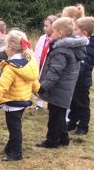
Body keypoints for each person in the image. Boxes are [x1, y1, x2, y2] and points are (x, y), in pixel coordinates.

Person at [36, 17, 89, 149]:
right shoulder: (71, 48)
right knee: (59, 115)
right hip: (65, 89)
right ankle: (64, 139)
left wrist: (42, 88)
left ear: (60, 33)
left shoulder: (61, 52)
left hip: (59, 89)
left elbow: (54, 73)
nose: (51, 33)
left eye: (53, 31)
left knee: (54, 117)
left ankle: (52, 141)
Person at [0, 30, 39, 161]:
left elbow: (2, 86)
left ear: (11, 47)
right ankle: (10, 148)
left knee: (14, 129)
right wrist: (38, 90)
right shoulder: (28, 62)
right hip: (23, 99)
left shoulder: (11, 67)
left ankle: (16, 152)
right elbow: (33, 79)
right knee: (15, 126)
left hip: (13, 101)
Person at [68, 16, 94, 136]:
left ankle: (83, 126)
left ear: (84, 32)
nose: (73, 32)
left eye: (75, 30)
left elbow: (84, 64)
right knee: (73, 102)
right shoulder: (78, 44)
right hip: (74, 79)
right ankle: (72, 122)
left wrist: (75, 71)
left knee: (82, 104)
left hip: (82, 81)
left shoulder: (90, 47)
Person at [33, 14, 58, 110]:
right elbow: (37, 50)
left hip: (49, 65)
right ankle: (39, 104)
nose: (44, 28)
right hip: (39, 63)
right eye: (44, 26)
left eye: (47, 26)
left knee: (46, 82)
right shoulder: (42, 38)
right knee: (39, 82)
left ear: (54, 27)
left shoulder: (56, 40)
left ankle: (50, 103)